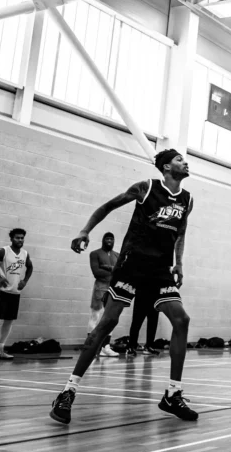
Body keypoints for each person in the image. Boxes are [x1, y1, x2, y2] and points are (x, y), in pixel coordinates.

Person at [49, 149, 198, 424]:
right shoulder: (146, 188)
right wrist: (85, 230)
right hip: (133, 263)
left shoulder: (187, 200)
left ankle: (172, 395)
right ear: (166, 166)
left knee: (181, 319)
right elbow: (108, 206)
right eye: (179, 159)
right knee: (107, 323)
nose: (185, 162)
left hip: (160, 270)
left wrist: (179, 264)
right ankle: (68, 391)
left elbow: (180, 234)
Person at [0, 229, 33, 361]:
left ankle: (0, 349)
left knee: (9, 321)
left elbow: (30, 267)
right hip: (1, 291)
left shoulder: (25, 254)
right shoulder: (2, 251)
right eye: (17, 238)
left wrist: (25, 281)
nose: (20, 240)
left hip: (15, 292)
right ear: (11, 239)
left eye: (22, 238)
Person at [88, 233, 119, 358]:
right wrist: (113, 269)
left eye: (112, 238)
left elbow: (120, 271)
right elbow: (96, 272)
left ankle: (106, 347)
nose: (109, 240)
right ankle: (91, 346)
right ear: (103, 240)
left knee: (110, 317)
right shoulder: (95, 253)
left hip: (113, 287)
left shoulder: (117, 255)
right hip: (100, 287)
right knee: (95, 315)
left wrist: (107, 267)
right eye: (107, 238)